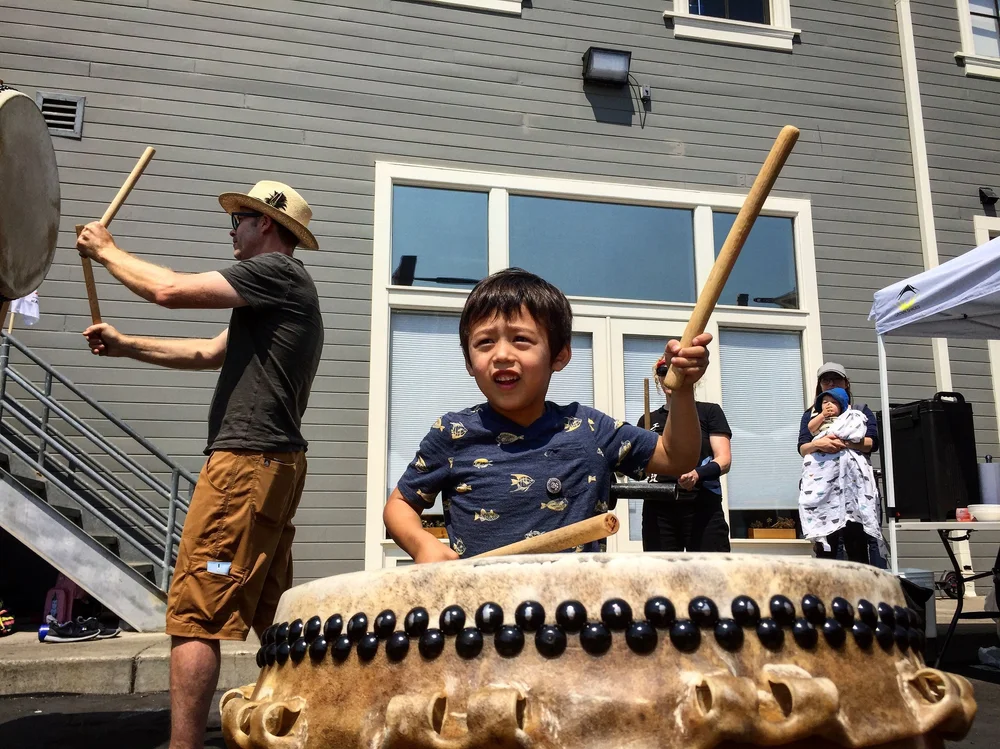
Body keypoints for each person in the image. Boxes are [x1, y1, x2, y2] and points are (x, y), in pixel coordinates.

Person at [76, 181, 324, 749]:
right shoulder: (275, 295)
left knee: (194, 609)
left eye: (237, 221)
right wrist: (125, 344)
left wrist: (106, 250)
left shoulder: (277, 275)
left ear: (264, 224)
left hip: (243, 467)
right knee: (269, 610)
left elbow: (167, 290)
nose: (232, 230)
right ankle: (311, 724)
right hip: (272, 468)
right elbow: (207, 354)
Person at [383, 268, 711, 561]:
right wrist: (422, 544)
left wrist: (681, 390)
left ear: (559, 355)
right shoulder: (452, 433)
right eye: (484, 342)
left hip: (576, 615)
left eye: (521, 339)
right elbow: (399, 506)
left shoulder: (591, 428)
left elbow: (676, 456)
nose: (501, 355)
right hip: (486, 615)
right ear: (469, 362)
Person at [637, 358, 732, 552]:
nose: (670, 377)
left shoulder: (708, 412)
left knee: (709, 574)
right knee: (662, 576)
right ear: (659, 379)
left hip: (701, 505)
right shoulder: (648, 420)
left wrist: (698, 474)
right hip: (659, 508)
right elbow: (639, 465)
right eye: (664, 371)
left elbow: (724, 459)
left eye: (677, 371)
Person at [797, 362, 885, 567]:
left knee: (857, 543)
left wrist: (844, 442)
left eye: (836, 379)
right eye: (825, 380)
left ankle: (860, 594)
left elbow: (872, 443)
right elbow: (802, 448)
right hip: (822, 487)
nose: (830, 383)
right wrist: (819, 443)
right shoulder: (811, 415)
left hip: (853, 488)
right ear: (819, 385)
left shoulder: (860, 411)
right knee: (826, 545)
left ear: (846, 383)